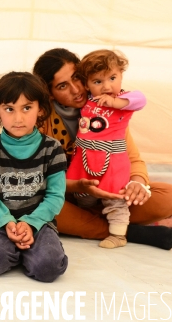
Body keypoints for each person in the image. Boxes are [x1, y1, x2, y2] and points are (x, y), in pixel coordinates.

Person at [32, 48, 172, 250]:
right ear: (49, 94)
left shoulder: (111, 108)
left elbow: (132, 158)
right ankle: (123, 230)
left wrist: (137, 184)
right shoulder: (39, 120)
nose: (76, 90)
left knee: (169, 197)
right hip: (68, 196)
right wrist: (78, 186)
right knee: (35, 203)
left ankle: (91, 223)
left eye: (77, 78)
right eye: (62, 86)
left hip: (111, 191)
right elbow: (38, 177)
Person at [0, 72, 68, 282]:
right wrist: (6, 221)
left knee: (49, 267)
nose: (18, 118)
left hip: (39, 221)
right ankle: (15, 249)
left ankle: (29, 250)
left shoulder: (52, 149)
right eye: (9, 109)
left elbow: (55, 196)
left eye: (27, 108)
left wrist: (31, 223)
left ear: (40, 109)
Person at [66, 50, 147, 249]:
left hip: (111, 159)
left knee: (116, 198)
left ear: (121, 75)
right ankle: (94, 217)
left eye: (113, 78)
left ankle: (118, 235)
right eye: (97, 82)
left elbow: (141, 99)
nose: (107, 86)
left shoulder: (124, 100)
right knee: (84, 198)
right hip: (84, 157)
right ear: (86, 85)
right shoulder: (88, 101)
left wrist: (116, 102)